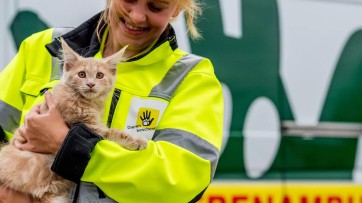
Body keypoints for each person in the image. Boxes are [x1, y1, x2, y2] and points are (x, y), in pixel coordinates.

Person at [0, 0, 224, 202]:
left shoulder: (190, 77)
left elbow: (182, 183)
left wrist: (67, 145)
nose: (137, 16)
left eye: (156, 7)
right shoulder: (43, 47)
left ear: (177, 9)